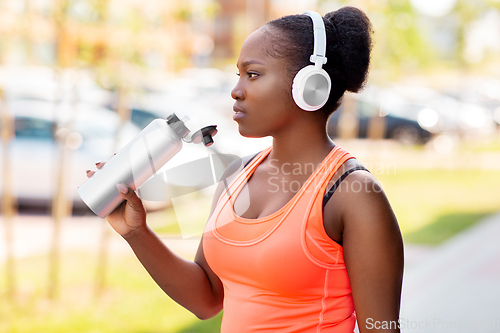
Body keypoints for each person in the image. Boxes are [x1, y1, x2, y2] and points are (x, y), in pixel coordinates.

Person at [86, 6, 404, 333]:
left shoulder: (354, 195)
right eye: (237, 75)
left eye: (252, 74)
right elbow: (207, 299)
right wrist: (136, 233)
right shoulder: (235, 174)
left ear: (310, 87)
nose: (236, 90)